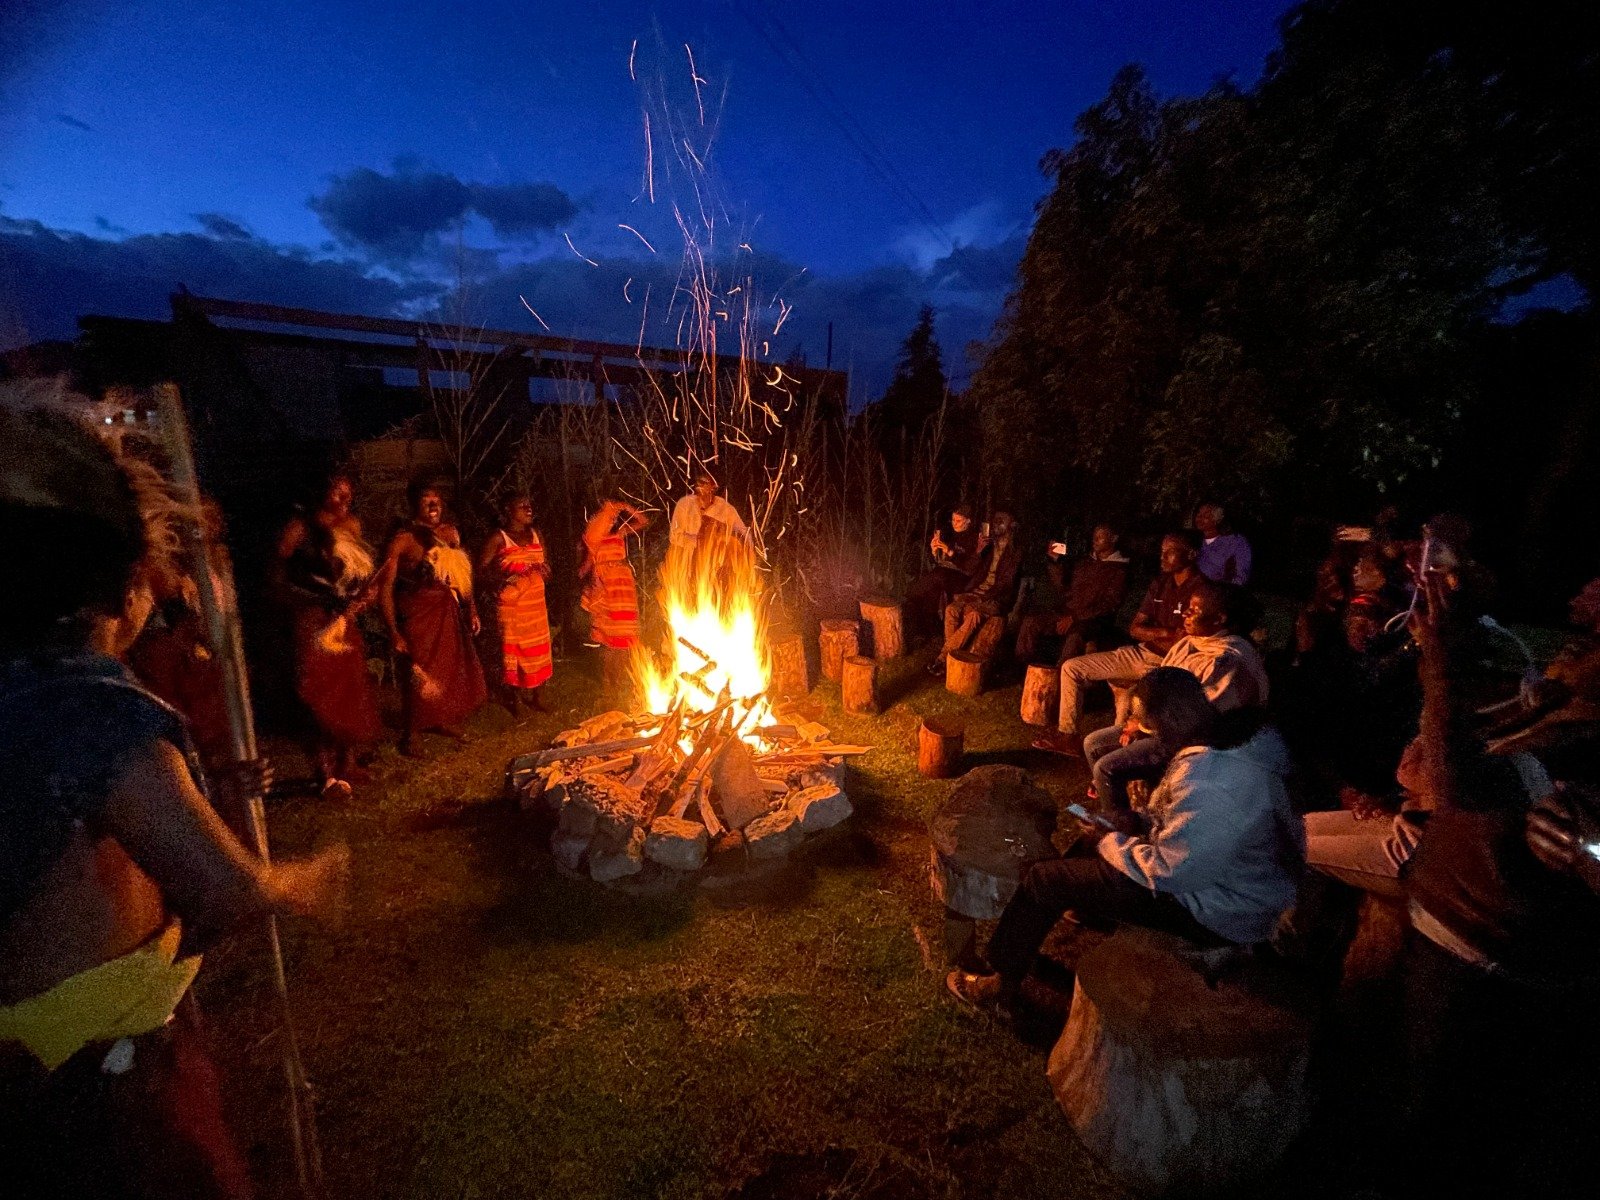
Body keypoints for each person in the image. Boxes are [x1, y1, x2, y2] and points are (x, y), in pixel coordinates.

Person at [0, 390, 347, 1199]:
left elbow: (81, 839)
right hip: (107, 1074)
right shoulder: (98, 713)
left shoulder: (17, 699)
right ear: (117, 584)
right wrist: (298, 881)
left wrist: (211, 791)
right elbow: (218, 891)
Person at [1392, 575, 1600, 1198]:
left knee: (1445, 1123)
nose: (1569, 645)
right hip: (1449, 937)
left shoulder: (1582, 743)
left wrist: (1441, 660)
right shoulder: (1558, 713)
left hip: (1480, 965)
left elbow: (1456, 781)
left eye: (1588, 645)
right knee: (1417, 1098)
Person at [948, 668, 1302, 1018]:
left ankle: (998, 985)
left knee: (1045, 878)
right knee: (1081, 855)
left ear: (1172, 719)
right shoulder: (1228, 743)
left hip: (1217, 910)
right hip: (1224, 882)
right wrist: (1136, 821)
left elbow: (1169, 872)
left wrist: (1112, 840)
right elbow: (1189, 826)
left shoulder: (1211, 781)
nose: (1152, 739)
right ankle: (1079, 906)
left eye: (1152, 729)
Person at [1079, 583, 1271, 809]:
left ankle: (1120, 827)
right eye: (1188, 607)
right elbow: (1158, 689)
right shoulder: (1190, 644)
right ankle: (1125, 805)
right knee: (1093, 742)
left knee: (1106, 767)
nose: (1186, 614)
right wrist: (1136, 721)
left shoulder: (1229, 660)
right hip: (1163, 728)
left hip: (1197, 743)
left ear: (1219, 619)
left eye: (1195, 610)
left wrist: (1142, 728)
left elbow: (1199, 720)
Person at [1032, 530, 1204, 755]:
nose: (1162, 557)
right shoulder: (1160, 584)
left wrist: (1156, 634)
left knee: (1127, 695)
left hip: (1168, 663)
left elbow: (1187, 640)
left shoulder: (1201, 592)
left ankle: (1115, 746)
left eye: (1170, 552)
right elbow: (1135, 628)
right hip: (1141, 652)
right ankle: (1068, 735)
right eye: (1162, 552)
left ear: (1191, 554)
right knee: (1072, 667)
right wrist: (1164, 632)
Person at [274, 473, 384, 797]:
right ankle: (326, 774)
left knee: (350, 685)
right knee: (321, 691)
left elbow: (360, 573)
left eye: (348, 494)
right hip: (312, 618)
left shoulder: (352, 526)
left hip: (344, 618)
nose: (344, 499)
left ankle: (347, 762)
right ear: (322, 493)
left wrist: (366, 595)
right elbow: (277, 579)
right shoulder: (300, 528)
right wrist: (316, 598)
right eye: (337, 492)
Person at [380, 482, 486, 756]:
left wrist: (471, 608)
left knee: (447, 667)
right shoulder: (403, 539)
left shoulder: (450, 533)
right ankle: (410, 734)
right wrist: (393, 630)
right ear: (415, 503)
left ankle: (439, 719)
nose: (433, 504)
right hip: (416, 613)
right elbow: (385, 587)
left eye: (437, 499)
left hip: (445, 611)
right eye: (426, 498)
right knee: (418, 671)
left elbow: (462, 575)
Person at [477, 496, 552, 715]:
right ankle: (515, 698)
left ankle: (538, 696)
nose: (528, 509)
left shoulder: (536, 535)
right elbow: (480, 571)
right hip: (512, 606)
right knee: (514, 651)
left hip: (535, 604)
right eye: (522, 506)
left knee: (539, 648)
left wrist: (546, 573)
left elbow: (544, 566)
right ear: (509, 510)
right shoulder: (498, 539)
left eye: (530, 505)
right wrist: (502, 579)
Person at [1015, 523, 1130, 665]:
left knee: (1074, 638)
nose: (1095, 539)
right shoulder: (1085, 562)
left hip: (1092, 621)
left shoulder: (1119, 570)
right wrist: (1054, 561)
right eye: (1094, 536)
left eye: (1100, 537)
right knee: (1030, 622)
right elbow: (1063, 587)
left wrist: (1075, 617)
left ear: (1113, 538)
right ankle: (1027, 668)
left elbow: (1108, 605)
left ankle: (1062, 678)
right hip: (1068, 613)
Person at [931, 511, 1022, 671]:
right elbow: (970, 570)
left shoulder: (1015, 552)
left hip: (996, 598)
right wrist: (979, 551)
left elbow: (1005, 584)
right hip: (977, 591)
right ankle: (950, 660)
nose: (996, 525)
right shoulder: (989, 546)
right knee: (951, 609)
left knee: (973, 615)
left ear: (1011, 526)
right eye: (995, 522)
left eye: (1001, 522)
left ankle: (943, 659)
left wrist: (982, 598)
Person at [581, 498, 648, 695]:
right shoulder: (593, 536)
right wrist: (590, 585)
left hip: (623, 589)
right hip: (606, 587)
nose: (611, 518)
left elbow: (644, 521)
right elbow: (587, 563)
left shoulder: (620, 533)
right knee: (610, 638)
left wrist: (626, 507)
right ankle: (607, 680)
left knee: (625, 636)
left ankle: (617, 678)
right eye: (608, 515)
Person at [905, 505, 983, 637]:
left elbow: (968, 567)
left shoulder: (975, 538)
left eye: (958, 521)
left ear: (968, 521)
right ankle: (928, 628)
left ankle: (910, 597)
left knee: (938, 576)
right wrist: (935, 550)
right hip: (946, 574)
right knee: (933, 585)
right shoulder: (951, 534)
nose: (954, 524)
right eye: (953, 520)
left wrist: (950, 552)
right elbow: (942, 560)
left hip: (964, 579)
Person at [1194, 502, 1252, 585]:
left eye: (1206, 515)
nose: (1199, 518)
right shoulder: (1193, 541)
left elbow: (1241, 576)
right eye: (1199, 513)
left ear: (1217, 519)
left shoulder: (1236, 542)